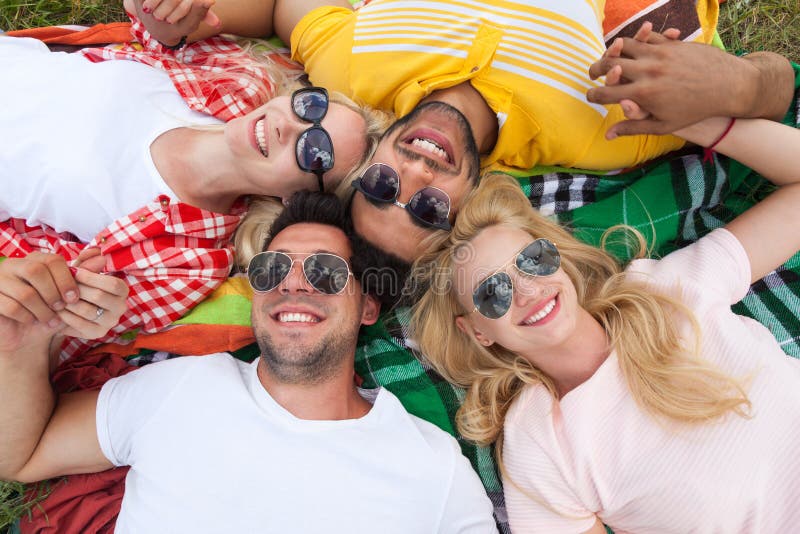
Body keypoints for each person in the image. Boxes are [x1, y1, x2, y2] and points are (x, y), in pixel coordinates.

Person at [131, 0, 796, 269]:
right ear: (472, 201)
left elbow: (278, 6)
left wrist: (187, 17)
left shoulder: (350, 66)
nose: (416, 176)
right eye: (426, 208)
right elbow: (780, 88)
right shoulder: (604, 131)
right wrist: (739, 87)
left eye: (384, 186)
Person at [0, 192, 498, 533]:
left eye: (325, 271)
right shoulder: (180, 387)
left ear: (369, 306)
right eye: (272, 267)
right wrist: (22, 338)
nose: (293, 283)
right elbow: (23, 454)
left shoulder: (433, 466)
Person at [407, 107, 800, 531]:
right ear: (478, 331)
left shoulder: (669, 288)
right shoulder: (539, 443)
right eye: (492, 292)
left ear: (559, 258)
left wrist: (693, 120)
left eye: (532, 259)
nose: (526, 290)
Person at [0, 32, 391, 359]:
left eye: (314, 151)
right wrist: (164, 19)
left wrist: (65, 307)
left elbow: (36, 306)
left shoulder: (190, 261)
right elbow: (161, 36)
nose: (288, 125)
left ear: (295, 198)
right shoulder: (242, 83)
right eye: (310, 106)